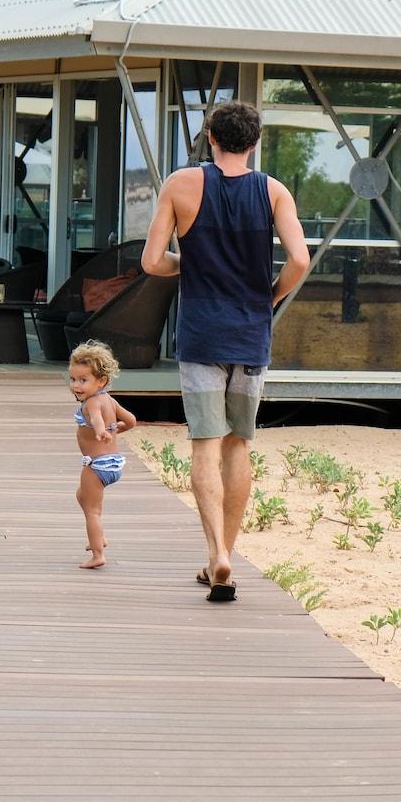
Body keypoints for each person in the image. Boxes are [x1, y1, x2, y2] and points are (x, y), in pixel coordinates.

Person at [142, 100, 310, 602]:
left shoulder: (181, 184)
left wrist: (187, 266)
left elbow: (153, 262)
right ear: (254, 142)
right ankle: (227, 558)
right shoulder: (273, 191)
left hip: (200, 336)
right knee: (239, 444)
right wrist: (268, 296)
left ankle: (214, 551)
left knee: (204, 445)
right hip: (250, 335)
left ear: (210, 137)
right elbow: (299, 259)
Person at [69, 340, 137, 569]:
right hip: (114, 463)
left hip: (96, 465)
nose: (76, 386)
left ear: (101, 381)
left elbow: (96, 418)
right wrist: (117, 429)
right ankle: (99, 537)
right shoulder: (110, 400)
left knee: (92, 511)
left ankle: (98, 553)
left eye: (83, 380)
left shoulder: (91, 403)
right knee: (82, 496)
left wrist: (101, 431)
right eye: (73, 379)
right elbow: (131, 421)